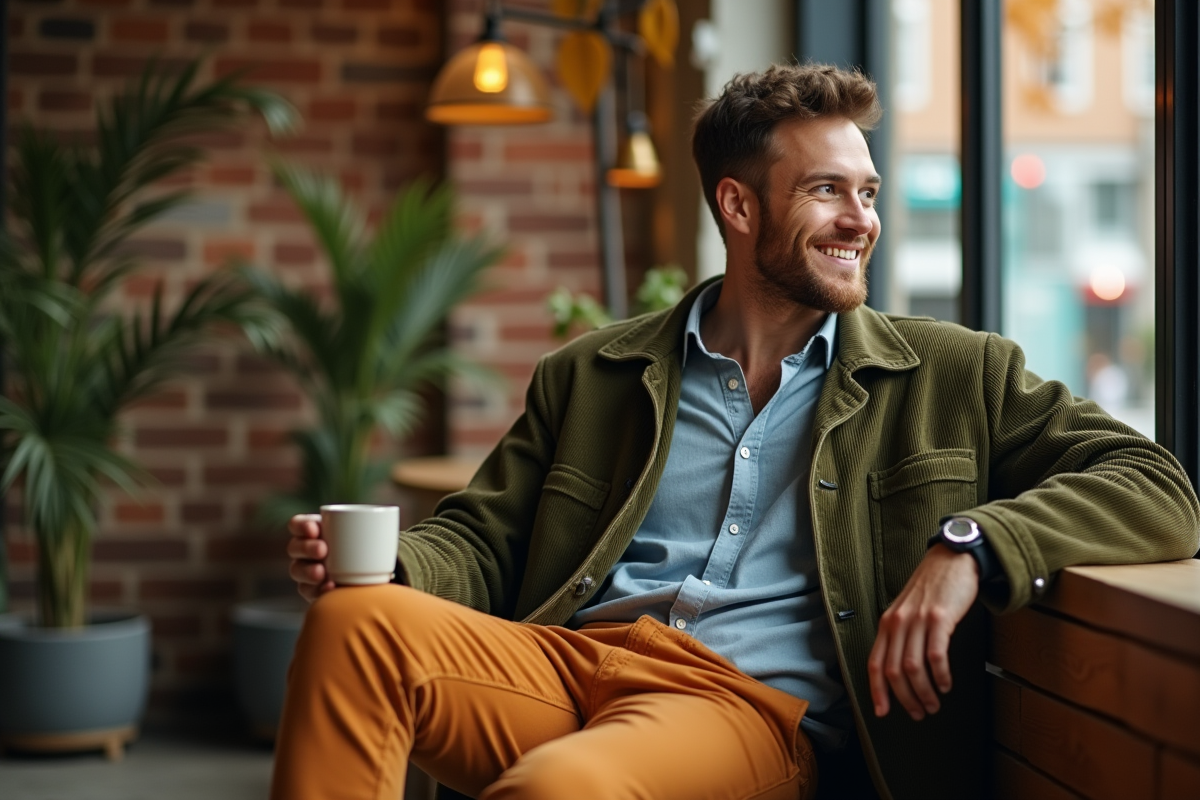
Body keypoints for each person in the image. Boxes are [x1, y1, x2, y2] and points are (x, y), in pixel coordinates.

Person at [272, 64, 1199, 800]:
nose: (862, 221)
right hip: (567, 661)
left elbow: (1157, 486)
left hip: (741, 707)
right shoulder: (594, 373)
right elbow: (482, 536)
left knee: (564, 788)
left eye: (868, 192)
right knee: (356, 624)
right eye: (828, 191)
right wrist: (391, 570)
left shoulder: (956, 372)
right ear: (739, 206)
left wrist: (971, 545)